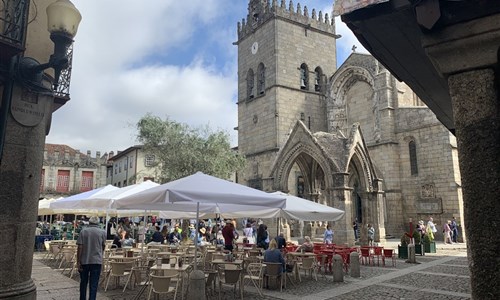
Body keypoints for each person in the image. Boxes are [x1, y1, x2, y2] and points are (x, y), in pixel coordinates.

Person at [76, 216, 106, 300]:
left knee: (83, 283)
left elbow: (80, 248)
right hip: (96, 261)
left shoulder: (83, 232)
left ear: (89, 222)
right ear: (98, 223)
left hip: (84, 260)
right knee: (94, 284)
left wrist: (78, 261)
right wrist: (100, 254)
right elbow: (103, 246)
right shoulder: (102, 232)